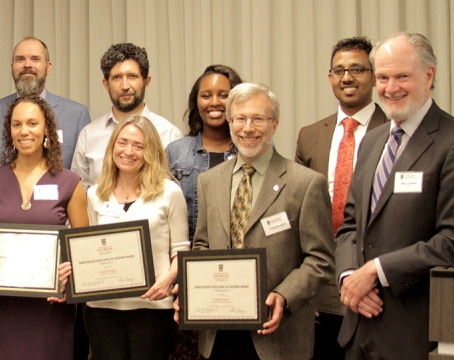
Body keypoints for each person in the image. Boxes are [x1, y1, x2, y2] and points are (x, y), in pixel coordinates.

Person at [191, 83, 334, 359]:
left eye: (258, 119)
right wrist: (194, 291)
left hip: (278, 335)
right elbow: (202, 246)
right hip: (219, 334)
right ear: (230, 123)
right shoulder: (209, 181)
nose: (248, 128)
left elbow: (321, 259)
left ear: (275, 124)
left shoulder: (306, 183)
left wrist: (284, 296)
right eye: (240, 119)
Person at [336, 32, 454, 360]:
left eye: (403, 76)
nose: (391, 88)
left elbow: (451, 240)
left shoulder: (450, 141)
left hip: (416, 333)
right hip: (359, 329)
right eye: (383, 77)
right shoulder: (372, 141)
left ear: (429, 75)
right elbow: (350, 225)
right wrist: (350, 279)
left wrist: (375, 270)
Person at [0, 96, 89, 360]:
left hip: (51, 303)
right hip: (3, 303)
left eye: (32, 123)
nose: (24, 131)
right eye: (17, 124)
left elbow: (83, 246)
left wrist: (71, 280)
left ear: (46, 129)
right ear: (9, 131)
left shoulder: (70, 182)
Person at [294, 37, 388, 360]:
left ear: (374, 77)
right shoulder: (309, 135)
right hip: (320, 281)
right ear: (330, 76)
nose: (347, 77)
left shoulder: (394, 131)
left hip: (375, 285)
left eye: (357, 69)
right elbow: (296, 214)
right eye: (339, 70)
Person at [77, 115, 189, 359]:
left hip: (151, 307)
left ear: (150, 151)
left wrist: (168, 279)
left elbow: (181, 250)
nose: (128, 151)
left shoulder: (169, 192)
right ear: (112, 146)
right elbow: (91, 248)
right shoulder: (96, 193)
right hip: (102, 309)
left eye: (138, 145)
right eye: (122, 142)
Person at [0, 36, 91, 225]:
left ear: (48, 67)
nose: (27, 65)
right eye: (20, 59)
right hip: (0, 232)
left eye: (35, 59)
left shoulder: (76, 114)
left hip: (56, 228)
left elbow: (81, 180)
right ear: (12, 66)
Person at [72, 42, 183, 190]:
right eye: (117, 77)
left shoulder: (170, 135)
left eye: (132, 76)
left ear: (146, 82)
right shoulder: (89, 135)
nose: (125, 86)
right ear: (106, 84)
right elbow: (79, 196)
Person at [166, 64, 243, 243]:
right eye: (206, 96)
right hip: (188, 258)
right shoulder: (175, 152)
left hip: (243, 257)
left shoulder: (253, 149)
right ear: (196, 102)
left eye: (224, 95)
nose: (214, 102)